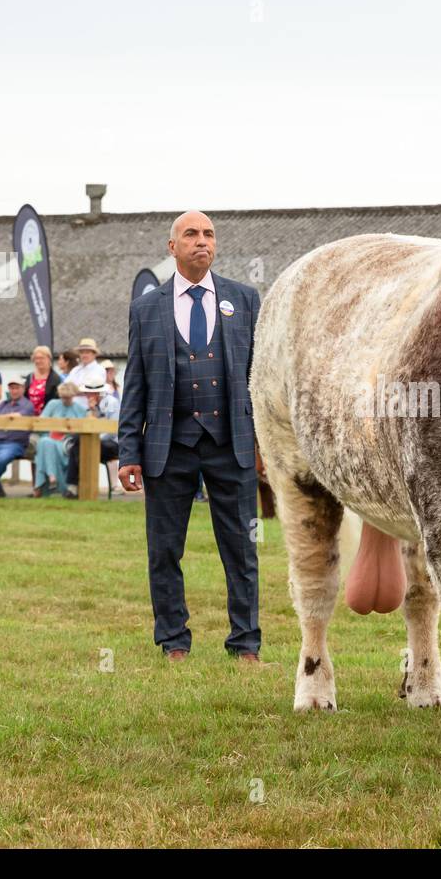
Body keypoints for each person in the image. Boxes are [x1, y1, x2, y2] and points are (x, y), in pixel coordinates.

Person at [118, 209, 262, 662]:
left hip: (232, 444)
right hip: (167, 447)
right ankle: (173, 641)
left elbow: (260, 377)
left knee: (242, 550)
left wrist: (265, 443)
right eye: (191, 234)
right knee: (164, 551)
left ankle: (245, 644)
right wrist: (128, 451)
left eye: (209, 234)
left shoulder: (245, 299)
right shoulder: (146, 308)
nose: (202, 241)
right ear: (172, 247)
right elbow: (135, 382)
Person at [0, 377, 33, 497]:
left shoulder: (28, 405)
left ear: (23, 389)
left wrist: (3, 418)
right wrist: (4, 418)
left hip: (14, 443)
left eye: (17, 388)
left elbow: (17, 416)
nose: (14, 391)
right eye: (12, 388)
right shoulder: (3, 404)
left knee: (2, 460)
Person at [64, 379, 120, 498]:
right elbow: (89, 425)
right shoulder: (92, 405)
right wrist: (92, 410)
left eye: (90, 393)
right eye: (87, 393)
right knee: (79, 445)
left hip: (114, 444)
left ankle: (74, 486)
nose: (88, 395)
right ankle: (76, 486)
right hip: (98, 443)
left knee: (78, 444)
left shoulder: (111, 403)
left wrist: (95, 439)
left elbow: (113, 430)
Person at [35, 382, 85, 497]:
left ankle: (43, 485)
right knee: (44, 442)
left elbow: (82, 431)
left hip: (67, 442)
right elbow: (41, 423)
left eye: (68, 398)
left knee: (47, 445)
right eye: (63, 397)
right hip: (51, 437)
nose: (65, 400)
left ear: (73, 396)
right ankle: (52, 477)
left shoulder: (79, 409)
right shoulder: (53, 404)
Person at [26, 345, 59, 415]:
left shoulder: (55, 378)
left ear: (49, 359)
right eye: (36, 358)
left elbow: (57, 400)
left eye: (41, 358)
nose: (38, 361)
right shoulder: (30, 377)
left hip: (48, 416)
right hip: (29, 416)